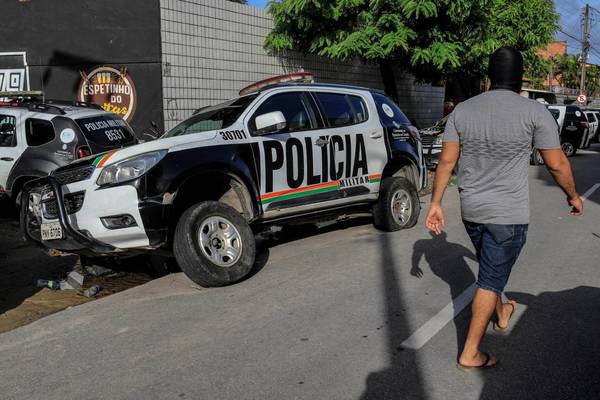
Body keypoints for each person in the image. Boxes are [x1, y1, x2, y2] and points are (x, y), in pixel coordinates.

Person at [424, 46, 583, 369]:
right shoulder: (535, 112)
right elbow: (557, 164)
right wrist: (573, 195)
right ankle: (471, 352)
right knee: (490, 280)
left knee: (490, 269)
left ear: (490, 77)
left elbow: (446, 161)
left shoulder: (463, 111)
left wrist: (436, 203)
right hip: (507, 215)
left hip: (472, 210)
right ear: (519, 79)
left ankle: (501, 311)